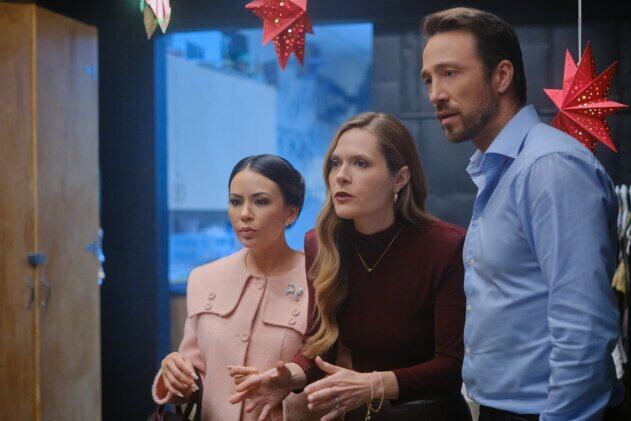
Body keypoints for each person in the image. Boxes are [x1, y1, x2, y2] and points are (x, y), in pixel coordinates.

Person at [420, 7, 621, 421]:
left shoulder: (549, 166)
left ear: (501, 76)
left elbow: (583, 327)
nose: (435, 94)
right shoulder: (502, 169)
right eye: (428, 79)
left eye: (450, 73)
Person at [229, 112, 472, 421]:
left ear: (399, 178)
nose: (341, 176)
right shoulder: (322, 243)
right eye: (335, 163)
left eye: (360, 163)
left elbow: (452, 366)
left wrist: (373, 384)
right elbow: (321, 345)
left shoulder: (445, 246)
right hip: (361, 413)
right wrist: (290, 377)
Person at [151, 154, 320, 420]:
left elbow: (331, 375)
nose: (245, 214)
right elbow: (192, 379)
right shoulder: (204, 277)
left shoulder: (320, 281)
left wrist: (285, 390)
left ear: (291, 212)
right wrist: (174, 375)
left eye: (261, 202)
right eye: (235, 201)